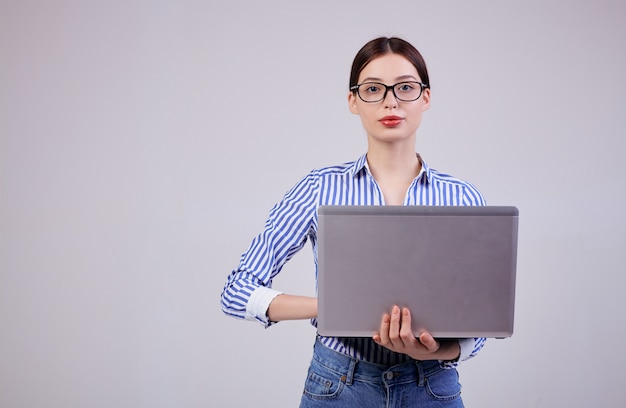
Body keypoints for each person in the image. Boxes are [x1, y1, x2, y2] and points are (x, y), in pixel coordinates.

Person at [221, 36, 487, 407]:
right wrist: (334, 306)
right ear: (353, 101)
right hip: (339, 385)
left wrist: (438, 351)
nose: (390, 101)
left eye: (405, 88)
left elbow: (484, 320)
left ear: (426, 97)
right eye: (373, 89)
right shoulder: (319, 187)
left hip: (431, 386)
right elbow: (237, 292)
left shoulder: (463, 198)